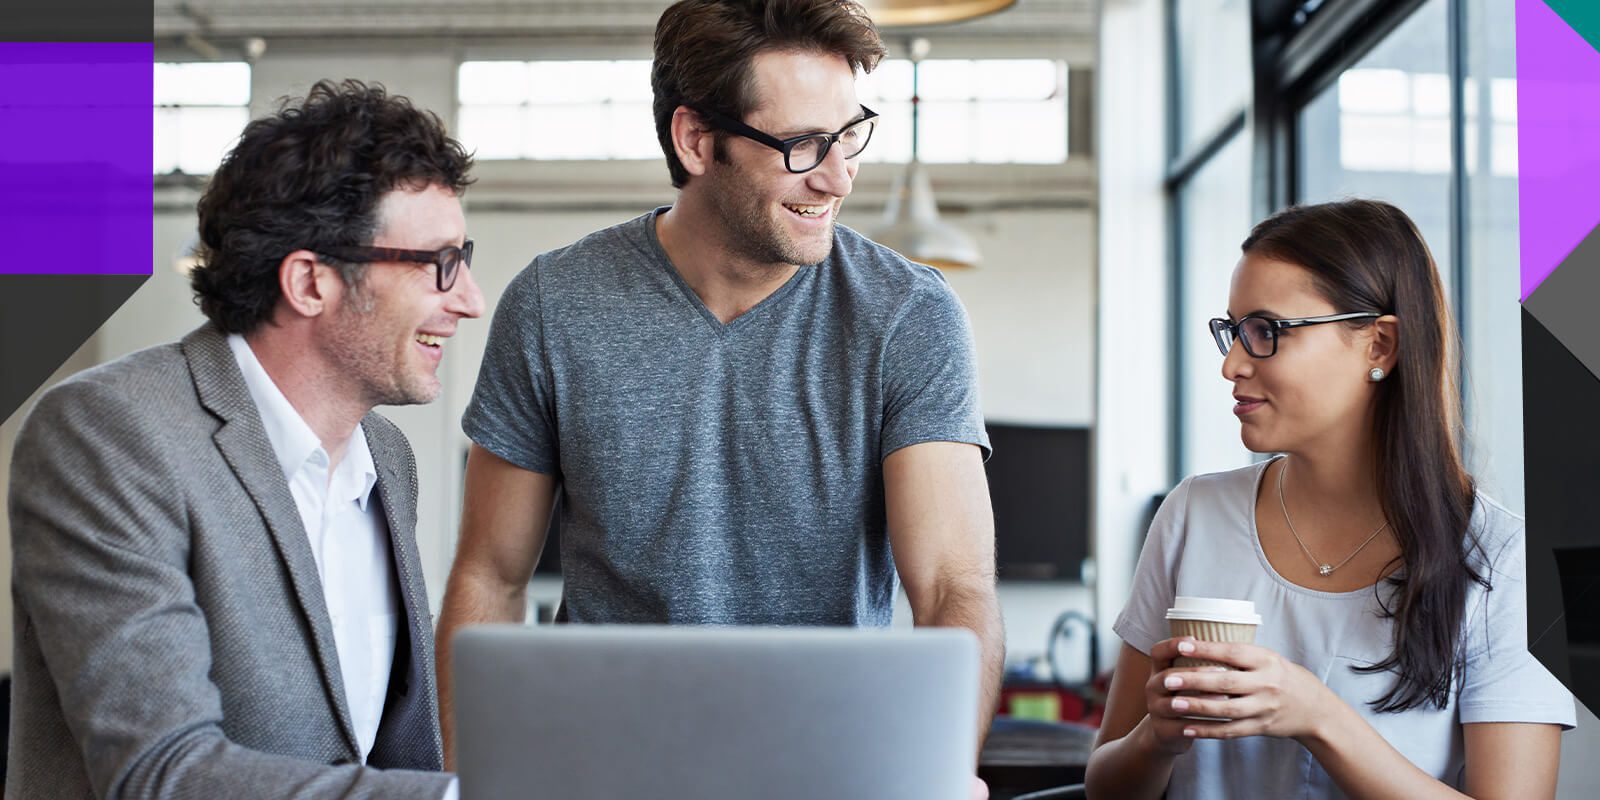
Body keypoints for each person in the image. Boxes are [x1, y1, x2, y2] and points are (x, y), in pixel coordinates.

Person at [435, 0, 1004, 789]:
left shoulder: (907, 315)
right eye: (804, 146)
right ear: (697, 140)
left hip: (831, 768)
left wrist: (938, 772)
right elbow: (490, 577)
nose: (837, 177)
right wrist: (470, 784)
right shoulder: (554, 304)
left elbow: (952, 590)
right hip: (598, 771)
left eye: (849, 135)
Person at [7, 79, 485, 799]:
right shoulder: (110, 434)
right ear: (310, 282)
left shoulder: (386, 458)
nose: (469, 300)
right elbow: (160, 772)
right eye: (440, 264)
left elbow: (384, 750)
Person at [1085, 199, 1574, 799]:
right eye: (1232, 331)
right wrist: (1154, 738)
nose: (1233, 364)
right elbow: (1105, 786)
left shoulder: (1506, 558)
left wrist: (1319, 716)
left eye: (1267, 331)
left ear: (1379, 346)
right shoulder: (1193, 515)